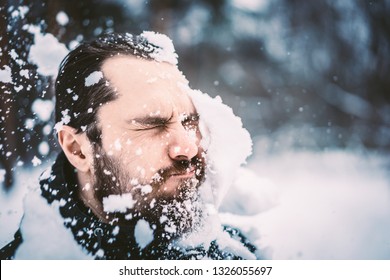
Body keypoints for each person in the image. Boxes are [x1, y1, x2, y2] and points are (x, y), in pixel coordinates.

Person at [0, 32, 259, 260]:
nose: (188, 148)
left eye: (189, 121)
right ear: (78, 149)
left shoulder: (233, 256)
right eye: (152, 124)